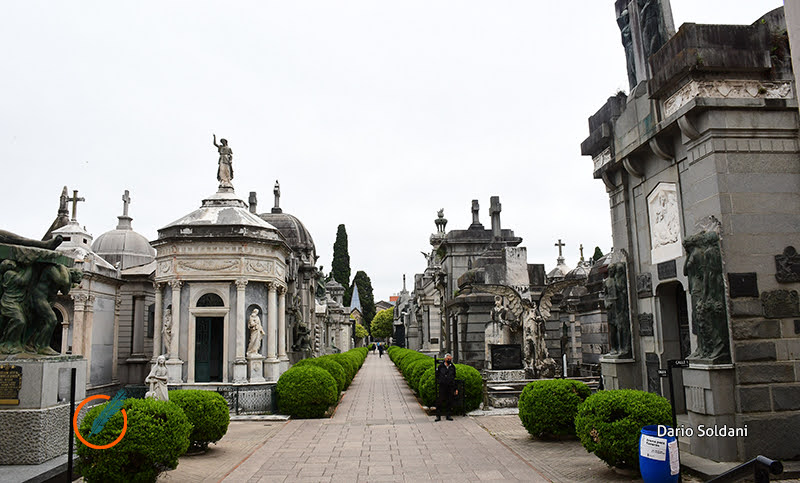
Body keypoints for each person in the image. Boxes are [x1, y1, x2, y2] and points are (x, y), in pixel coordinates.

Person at [435, 353, 457, 421]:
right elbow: (437, 375)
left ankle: (448, 415)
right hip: (442, 386)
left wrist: (455, 388)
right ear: (445, 359)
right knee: (440, 401)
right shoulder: (440, 366)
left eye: (450, 359)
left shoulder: (452, 367)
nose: (449, 360)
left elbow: (454, 377)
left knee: (449, 400)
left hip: (450, 386)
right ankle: (438, 416)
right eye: (448, 359)